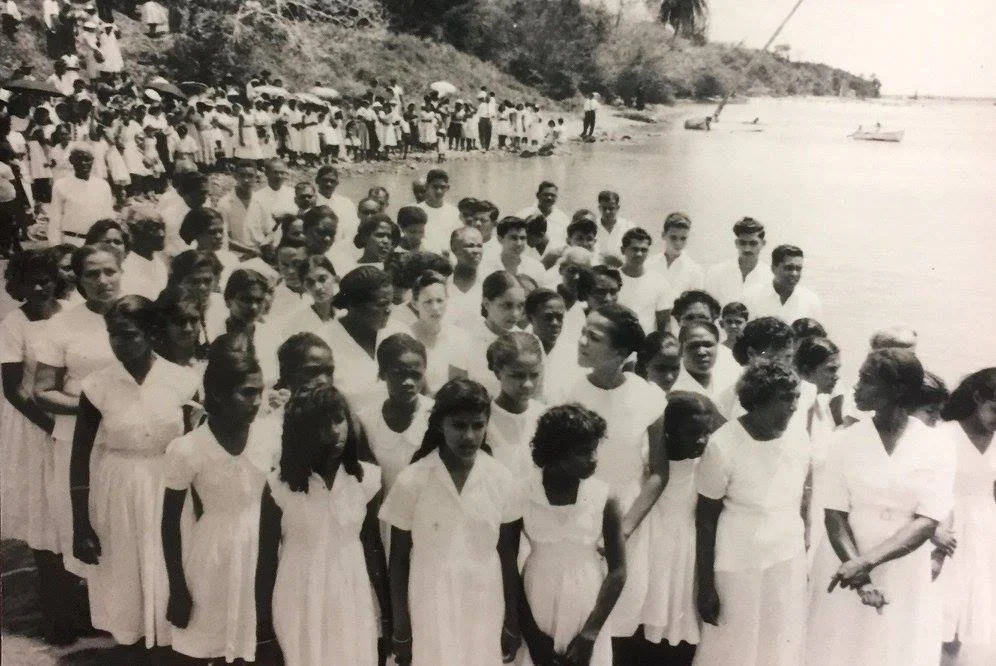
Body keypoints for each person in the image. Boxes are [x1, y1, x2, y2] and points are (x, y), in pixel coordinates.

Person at [806, 349, 956, 666]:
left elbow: (928, 521)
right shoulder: (843, 440)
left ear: (897, 390)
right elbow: (834, 515)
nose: (856, 387)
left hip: (904, 570)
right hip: (844, 563)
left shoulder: (937, 445)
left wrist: (867, 563)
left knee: (897, 651)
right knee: (841, 650)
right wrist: (860, 575)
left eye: (866, 379)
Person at [69, 296, 199, 650]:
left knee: (171, 577)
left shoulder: (182, 381)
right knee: (126, 586)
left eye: (128, 335)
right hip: (119, 490)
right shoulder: (97, 386)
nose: (118, 343)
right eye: (113, 334)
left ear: (151, 333)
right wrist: (81, 524)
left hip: (170, 489)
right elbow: (79, 457)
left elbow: (196, 448)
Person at [380, 378, 523, 666]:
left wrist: (512, 618)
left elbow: (509, 557)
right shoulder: (413, 479)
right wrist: (401, 625)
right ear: (440, 425)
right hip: (429, 599)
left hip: (484, 600)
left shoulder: (501, 479)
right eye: (459, 425)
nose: (469, 436)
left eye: (478, 425)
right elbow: (398, 559)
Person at [554, 304, 669, 649]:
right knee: (576, 618)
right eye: (583, 331)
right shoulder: (568, 393)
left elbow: (658, 473)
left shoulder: (649, 397)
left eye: (594, 336)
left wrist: (626, 527)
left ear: (620, 351)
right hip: (577, 523)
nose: (582, 341)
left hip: (628, 524)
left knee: (620, 621)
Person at [161, 335, 278, 664]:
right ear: (218, 394)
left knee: (257, 642)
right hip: (213, 553)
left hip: (265, 549)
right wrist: (177, 588)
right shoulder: (187, 449)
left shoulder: (270, 436)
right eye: (247, 393)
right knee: (205, 641)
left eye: (259, 391)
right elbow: (169, 524)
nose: (256, 401)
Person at [257, 382, 389, 666]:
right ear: (300, 432)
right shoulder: (278, 486)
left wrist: (387, 615)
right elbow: (266, 560)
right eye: (321, 424)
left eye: (338, 419)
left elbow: (373, 548)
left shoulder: (366, 480)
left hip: (352, 592)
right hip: (299, 593)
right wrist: (264, 631)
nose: (333, 432)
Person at [694, 360, 810, 666]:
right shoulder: (723, 444)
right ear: (758, 400)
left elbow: (802, 499)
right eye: (785, 399)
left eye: (796, 398)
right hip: (737, 562)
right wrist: (705, 584)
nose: (794, 407)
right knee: (733, 644)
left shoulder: (799, 437)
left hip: (787, 556)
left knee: (780, 641)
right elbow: (705, 518)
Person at [34, 244, 123, 579]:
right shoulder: (63, 325)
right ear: (78, 279)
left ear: (121, 270)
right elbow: (42, 391)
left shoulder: (139, 313)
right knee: (89, 524)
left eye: (109, 271)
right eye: (92, 274)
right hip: (79, 443)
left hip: (130, 440)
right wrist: (92, 410)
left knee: (126, 524)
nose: (102, 280)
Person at [518, 403, 625, 666]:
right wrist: (531, 636)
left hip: (588, 603)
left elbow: (618, 570)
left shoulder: (605, 497)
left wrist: (590, 634)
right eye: (583, 452)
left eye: (594, 449)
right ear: (556, 453)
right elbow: (506, 563)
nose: (593, 458)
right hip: (536, 599)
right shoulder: (521, 493)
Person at [0, 249, 71, 643]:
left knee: (77, 513)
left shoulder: (71, 311)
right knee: (47, 522)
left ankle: (87, 606)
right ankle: (57, 617)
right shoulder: (14, 324)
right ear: (19, 286)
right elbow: (13, 391)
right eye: (32, 281)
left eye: (46, 278)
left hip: (73, 422)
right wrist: (51, 426)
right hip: (35, 428)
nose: (41, 287)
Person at [637, 392, 725, 665]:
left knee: (680, 630)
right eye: (691, 433)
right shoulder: (648, 462)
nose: (701, 440)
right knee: (644, 623)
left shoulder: (707, 464)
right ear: (669, 433)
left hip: (687, 553)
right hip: (652, 549)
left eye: (705, 433)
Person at [935, 368, 996, 663]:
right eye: (994, 408)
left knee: (974, 615)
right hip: (947, 527)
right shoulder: (944, 435)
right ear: (977, 398)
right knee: (944, 610)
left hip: (986, 533)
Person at [325, 266, 394, 404]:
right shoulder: (323, 342)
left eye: (391, 302)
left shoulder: (399, 331)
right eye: (382, 304)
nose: (389, 310)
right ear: (354, 305)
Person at [398, 270, 471, 395]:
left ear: (447, 300)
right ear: (415, 304)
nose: (435, 308)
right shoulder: (406, 338)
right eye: (428, 302)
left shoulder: (460, 337)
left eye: (440, 300)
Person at [485, 332, 545, 478]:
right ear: (498, 373)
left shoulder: (546, 417)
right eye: (518, 375)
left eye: (534, 375)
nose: (528, 384)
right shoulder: (483, 420)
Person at [466, 270, 526, 397]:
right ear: (487, 304)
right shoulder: (466, 340)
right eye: (507, 305)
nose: (515, 314)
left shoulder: (528, 342)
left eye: (520, 306)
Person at [47, 147, 114, 246]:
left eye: (87, 159)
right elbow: (55, 219)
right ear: (71, 160)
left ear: (93, 161)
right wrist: (55, 247)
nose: (83, 163)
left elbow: (108, 217)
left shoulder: (103, 186)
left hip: (96, 244)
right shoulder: (60, 185)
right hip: (71, 242)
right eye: (79, 159)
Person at [744, 244, 823, 323]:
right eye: (789, 268)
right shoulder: (751, 296)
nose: (794, 274)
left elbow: (817, 334)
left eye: (798, 269)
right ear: (773, 268)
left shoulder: (811, 301)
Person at [617, 227, 673, 334]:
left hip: (646, 347)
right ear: (623, 250)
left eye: (643, 250)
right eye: (634, 249)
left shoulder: (659, 282)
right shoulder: (612, 279)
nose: (639, 254)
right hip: (616, 345)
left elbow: (665, 323)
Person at [704, 217, 770, 307]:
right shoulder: (716, 272)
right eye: (742, 243)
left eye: (753, 243)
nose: (747, 249)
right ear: (736, 243)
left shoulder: (770, 276)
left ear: (763, 243)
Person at [647, 212, 705, 296]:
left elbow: (696, 303)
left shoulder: (694, 270)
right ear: (663, 235)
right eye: (673, 237)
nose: (678, 243)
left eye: (683, 238)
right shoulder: (649, 264)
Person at [120, 205, 169, 299]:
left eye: (163, 227)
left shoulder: (160, 264)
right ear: (135, 232)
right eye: (154, 229)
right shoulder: (124, 266)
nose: (162, 234)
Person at [481, 216, 546, 283]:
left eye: (523, 238)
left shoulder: (536, 268)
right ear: (500, 239)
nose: (519, 244)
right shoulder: (484, 266)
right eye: (514, 238)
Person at [446, 226, 485, 327]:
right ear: (454, 249)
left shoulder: (490, 284)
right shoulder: (442, 285)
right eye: (470, 246)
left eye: (479, 246)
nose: (476, 251)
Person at [417, 168, 461, 254]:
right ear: (426, 186)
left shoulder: (455, 213)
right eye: (435, 187)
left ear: (447, 188)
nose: (439, 191)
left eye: (442, 187)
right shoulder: (415, 210)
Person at [515, 181, 569, 250]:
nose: (549, 198)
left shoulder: (563, 218)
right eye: (546, 195)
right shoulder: (523, 214)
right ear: (537, 195)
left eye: (553, 195)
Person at [593, 191, 634, 260]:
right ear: (599, 207)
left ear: (618, 207)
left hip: (621, 268)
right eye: (604, 208)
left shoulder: (628, 227)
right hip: (595, 268)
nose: (607, 212)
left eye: (611, 208)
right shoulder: (592, 225)